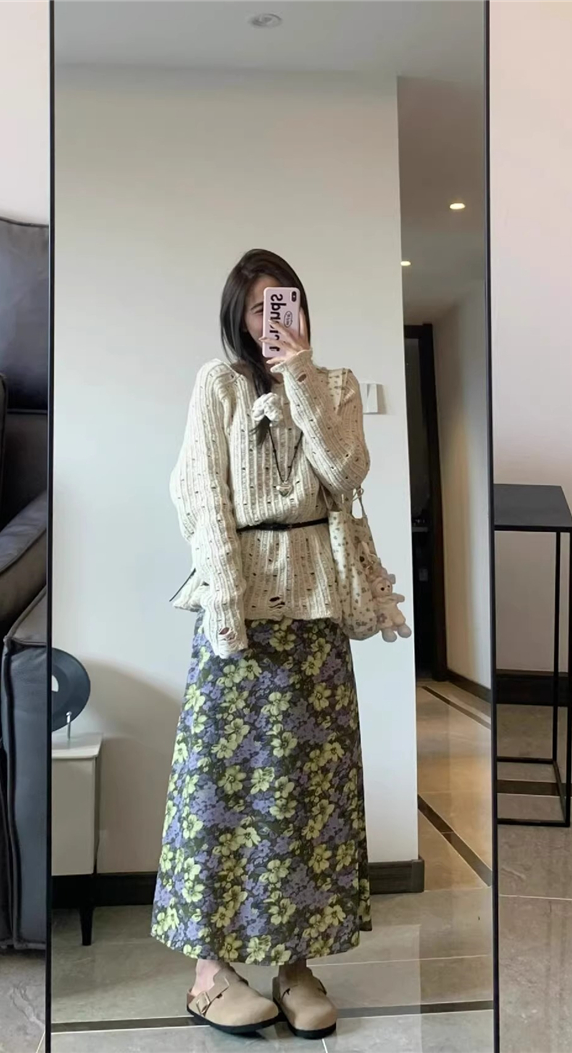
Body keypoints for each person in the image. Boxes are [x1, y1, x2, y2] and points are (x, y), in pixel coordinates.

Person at [151, 248, 371, 1040]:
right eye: (258, 307)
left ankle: (294, 963)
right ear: (237, 318)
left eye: (285, 303)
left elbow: (345, 473)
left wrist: (299, 374)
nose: (272, 318)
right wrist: (224, 603)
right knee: (218, 788)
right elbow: (201, 490)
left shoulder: (335, 384)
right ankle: (209, 973)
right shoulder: (218, 385)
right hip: (238, 609)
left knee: (308, 791)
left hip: (316, 612)